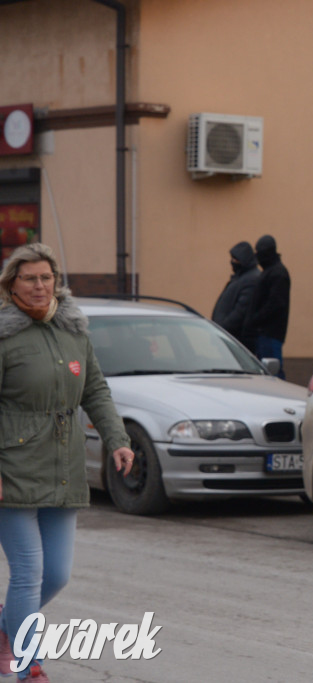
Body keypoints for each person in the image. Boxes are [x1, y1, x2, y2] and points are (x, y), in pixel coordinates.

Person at [0, 243, 135, 682]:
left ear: (56, 281)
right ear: (11, 285)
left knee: (56, 575)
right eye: (29, 278)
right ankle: (29, 667)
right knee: (28, 573)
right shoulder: (4, 336)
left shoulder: (73, 331)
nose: (39, 286)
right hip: (12, 470)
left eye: (46, 277)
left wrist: (117, 439)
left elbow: (95, 390)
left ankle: (5, 626)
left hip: (63, 467)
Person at [242, 235, 290, 378]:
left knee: (273, 372)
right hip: (265, 333)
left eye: (260, 252)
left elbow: (276, 304)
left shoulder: (277, 273)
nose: (258, 256)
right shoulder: (271, 271)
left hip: (269, 333)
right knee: (269, 372)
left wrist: (255, 319)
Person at [211, 241, 259, 350]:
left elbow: (240, 312)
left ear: (244, 260)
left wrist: (223, 329)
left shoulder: (251, 279)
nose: (232, 262)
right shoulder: (241, 277)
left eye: (235, 259)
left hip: (236, 339)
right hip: (228, 336)